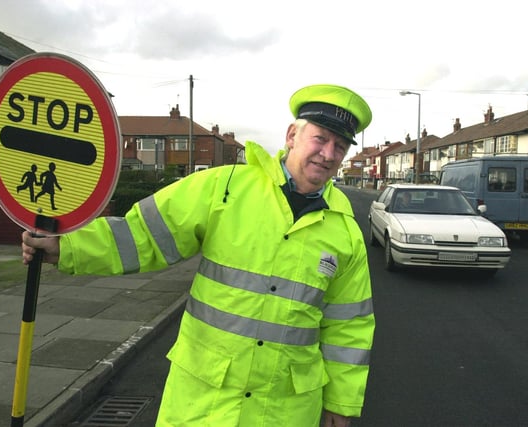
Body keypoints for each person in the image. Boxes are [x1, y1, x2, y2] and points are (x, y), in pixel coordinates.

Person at [22, 84, 376, 427]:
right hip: (204, 403)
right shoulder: (225, 187)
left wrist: (340, 404)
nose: (328, 154)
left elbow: (348, 329)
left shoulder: (345, 231)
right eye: (320, 139)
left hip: (285, 409)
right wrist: (67, 246)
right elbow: (142, 235)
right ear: (291, 136)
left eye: (340, 146)